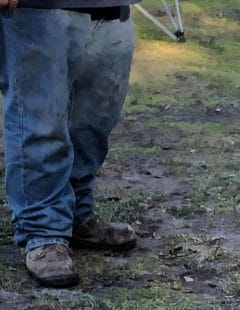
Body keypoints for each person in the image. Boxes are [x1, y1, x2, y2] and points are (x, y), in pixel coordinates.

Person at [0, 0, 138, 287]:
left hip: (111, 6)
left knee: (95, 120)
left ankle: (76, 214)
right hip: (34, 8)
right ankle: (43, 230)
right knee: (41, 120)